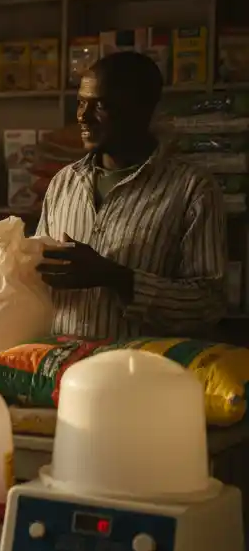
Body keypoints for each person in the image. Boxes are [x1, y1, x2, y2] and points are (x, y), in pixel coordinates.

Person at [36, 51, 227, 339]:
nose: (82, 117)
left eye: (100, 105)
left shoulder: (192, 189)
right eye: (80, 103)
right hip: (61, 370)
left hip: (139, 374)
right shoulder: (64, 183)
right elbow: (39, 279)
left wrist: (116, 278)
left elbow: (208, 305)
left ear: (142, 109)